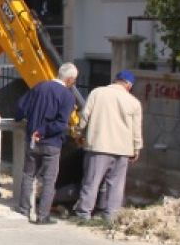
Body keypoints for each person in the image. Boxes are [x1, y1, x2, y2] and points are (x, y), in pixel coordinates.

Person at [71, 70, 143, 222]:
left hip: (98, 146)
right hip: (122, 149)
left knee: (92, 181)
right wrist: (137, 148)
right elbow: (136, 129)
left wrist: (79, 133)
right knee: (116, 185)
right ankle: (110, 216)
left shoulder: (97, 93)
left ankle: (84, 214)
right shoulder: (134, 102)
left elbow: (84, 116)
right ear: (129, 85)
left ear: (115, 80)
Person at [15, 62, 79, 225]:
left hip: (32, 140)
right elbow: (61, 123)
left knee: (28, 175)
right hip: (51, 142)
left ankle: (24, 211)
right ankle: (43, 215)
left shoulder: (40, 87)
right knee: (49, 180)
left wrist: (26, 123)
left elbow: (21, 107)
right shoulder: (67, 96)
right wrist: (43, 131)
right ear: (70, 79)